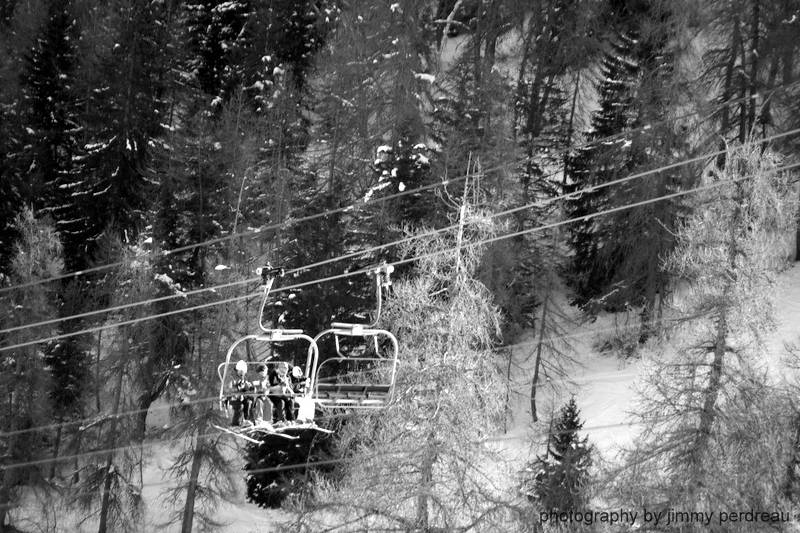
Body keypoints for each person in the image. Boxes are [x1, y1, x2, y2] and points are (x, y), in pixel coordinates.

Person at [228, 360, 253, 427]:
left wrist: (249, 387)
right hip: (234, 398)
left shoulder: (244, 379)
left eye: (243, 371)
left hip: (241, 398)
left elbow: (247, 387)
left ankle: (245, 420)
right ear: (237, 370)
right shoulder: (233, 378)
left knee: (248, 402)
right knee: (240, 406)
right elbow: (230, 388)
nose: (242, 373)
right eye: (240, 371)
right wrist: (239, 388)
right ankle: (235, 424)